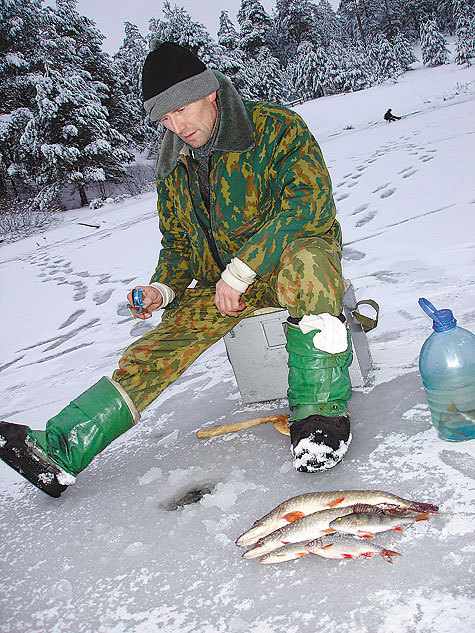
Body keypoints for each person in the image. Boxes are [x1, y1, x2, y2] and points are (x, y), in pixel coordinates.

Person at [0, 42, 353, 498]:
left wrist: (241, 271)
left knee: (309, 259)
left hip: (286, 269)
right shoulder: (172, 166)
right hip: (221, 287)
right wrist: (162, 288)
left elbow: (308, 207)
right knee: (154, 348)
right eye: (164, 119)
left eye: (182, 109)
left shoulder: (276, 128)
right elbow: (179, 243)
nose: (177, 126)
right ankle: (60, 450)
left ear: (210, 93)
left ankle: (319, 417)